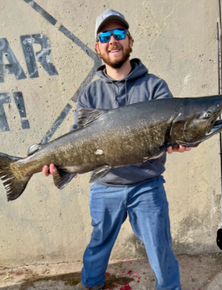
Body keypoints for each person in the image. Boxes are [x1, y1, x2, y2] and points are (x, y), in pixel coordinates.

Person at [43, 9, 192, 290]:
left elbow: (174, 130)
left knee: (160, 249)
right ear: (98, 46)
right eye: (105, 36)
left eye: (119, 34)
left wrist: (176, 143)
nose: (113, 40)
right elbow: (79, 143)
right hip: (104, 185)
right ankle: (91, 285)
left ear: (130, 41)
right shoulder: (89, 93)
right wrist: (60, 167)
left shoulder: (155, 87)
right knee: (98, 246)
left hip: (147, 185)